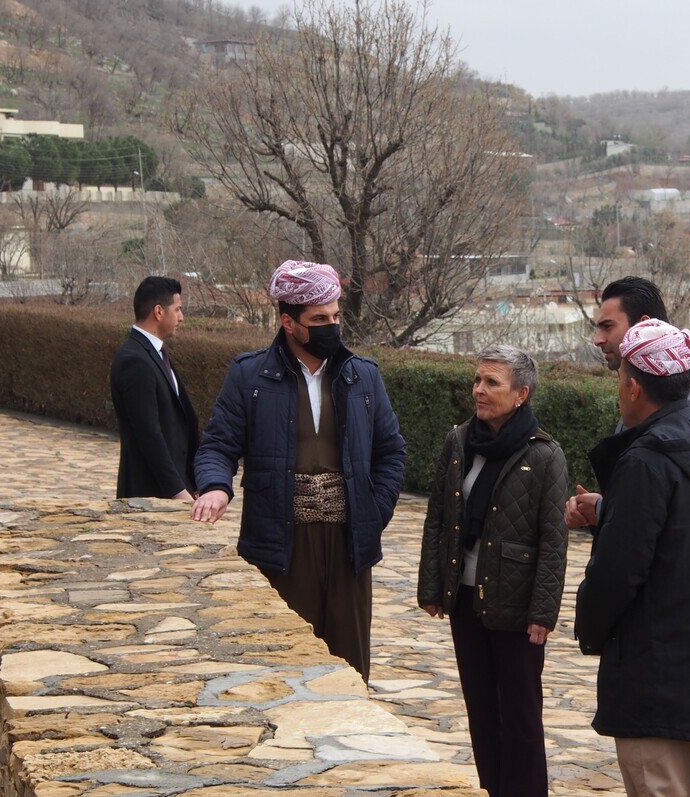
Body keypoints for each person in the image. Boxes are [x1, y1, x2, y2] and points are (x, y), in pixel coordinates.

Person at [191, 260, 407, 683]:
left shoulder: (362, 377)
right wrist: (216, 487)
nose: (332, 326)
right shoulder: (250, 375)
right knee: (284, 665)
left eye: (336, 316)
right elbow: (218, 444)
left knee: (347, 667)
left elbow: (391, 452)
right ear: (289, 323)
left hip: (349, 546)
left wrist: (374, 511)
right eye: (319, 319)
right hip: (281, 543)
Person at [575, 320, 690, 797]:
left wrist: (590, 623)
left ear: (633, 386)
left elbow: (620, 569)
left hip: (657, 685)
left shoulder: (647, 460)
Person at [417, 345, 568, 797]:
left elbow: (553, 541)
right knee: (481, 710)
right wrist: (432, 586)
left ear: (521, 394)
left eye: (491, 383)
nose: (478, 390)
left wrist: (543, 612)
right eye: (478, 380)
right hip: (465, 599)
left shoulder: (545, 456)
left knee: (519, 715)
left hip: (518, 606)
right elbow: (439, 517)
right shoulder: (459, 440)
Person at [565, 275, 690, 526]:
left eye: (608, 326)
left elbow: (682, 507)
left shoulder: (676, 389)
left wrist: (605, 511)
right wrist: (605, 506)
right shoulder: (661, 384)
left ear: (644, 324)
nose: (597, 339)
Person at [110, 276, 199, 500]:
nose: (182, 318)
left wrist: (195, 481)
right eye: (177, 310)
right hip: (150, 495)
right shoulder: (135, 360)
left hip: (176, 487)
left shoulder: (156, 355)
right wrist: (178, 491)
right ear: (159, 312)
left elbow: (182, 422)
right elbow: (148, 433)